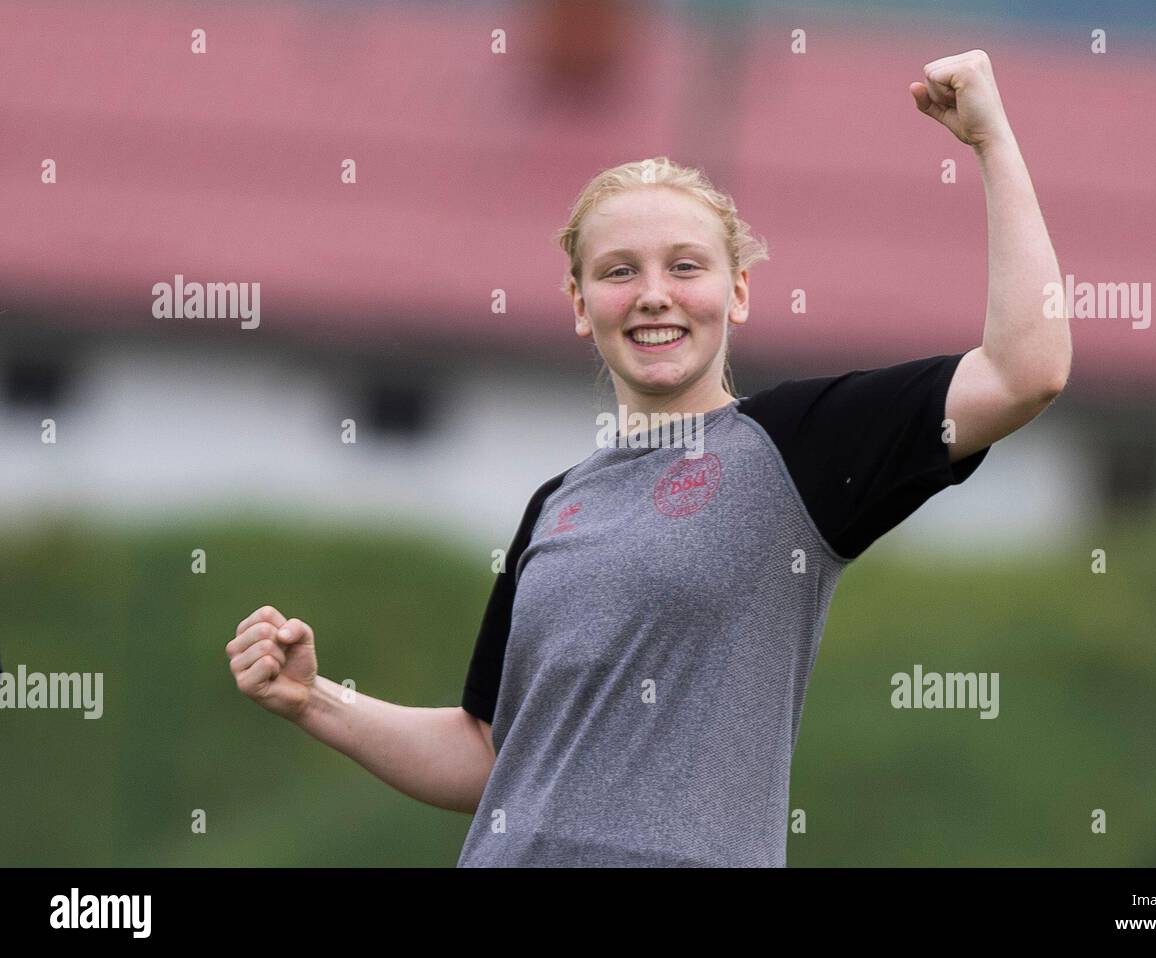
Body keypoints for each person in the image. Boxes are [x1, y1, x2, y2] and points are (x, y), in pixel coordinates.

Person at [227, 50, 1071, 867]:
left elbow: (1023, 373)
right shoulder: (556, 504)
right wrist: (315, 699)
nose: (655, 294)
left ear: (737, 291)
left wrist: (992, 141)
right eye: (620, 270)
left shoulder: (797, 448)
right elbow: (489, 752)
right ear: (579, 303)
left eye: (686, 266)